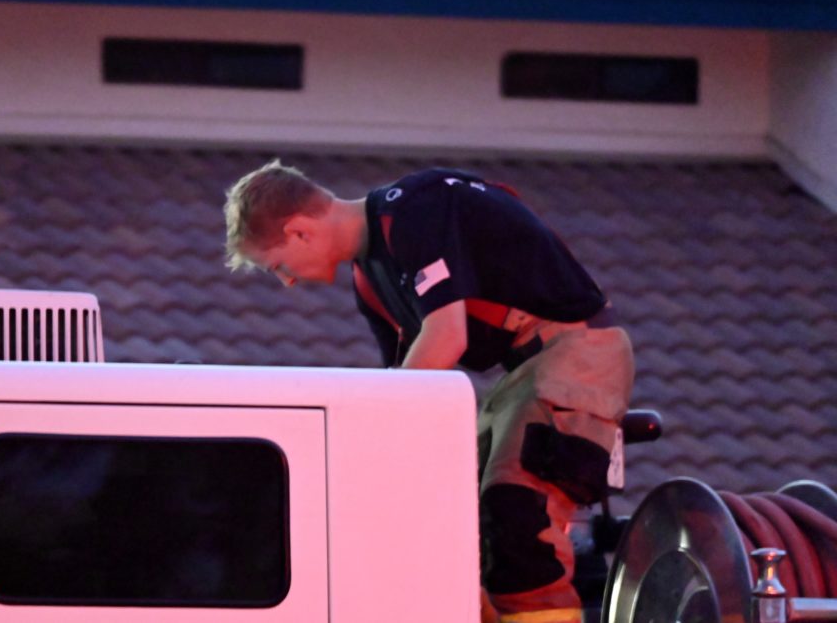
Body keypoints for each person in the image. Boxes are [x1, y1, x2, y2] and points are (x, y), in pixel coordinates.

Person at [223, 159, 635, 623]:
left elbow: (445, 337)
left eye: (277, 265)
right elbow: (405, 394)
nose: (287, 281)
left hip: (579, 349)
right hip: (525, 372)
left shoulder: (413, 210)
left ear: (299, 231)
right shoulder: (369, 281)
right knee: (465, 534)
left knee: (517, 514)